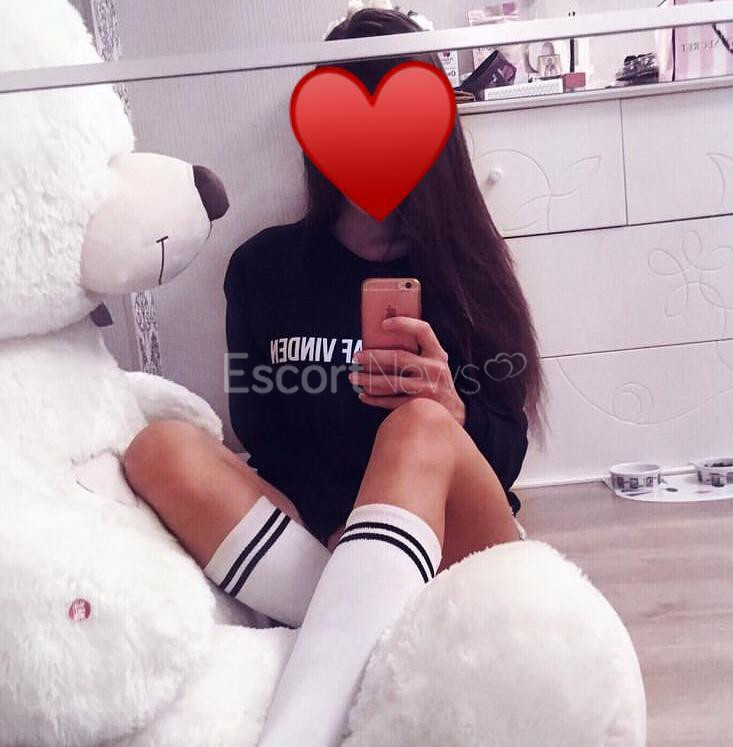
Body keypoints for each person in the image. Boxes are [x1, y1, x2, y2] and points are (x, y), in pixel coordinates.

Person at [124, 8, 544, 746]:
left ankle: (298, 726)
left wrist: (453, 409)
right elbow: (258, 429)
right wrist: (339, 526)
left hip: (453, 543)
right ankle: (365, 630)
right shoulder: (263, 268)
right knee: (162, 446)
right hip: (317, 538)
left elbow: (506, 453)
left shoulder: (467, 270)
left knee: (419, 427)